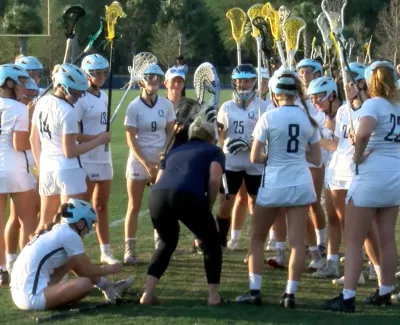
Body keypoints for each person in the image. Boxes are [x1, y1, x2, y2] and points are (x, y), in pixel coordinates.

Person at [236, 69, 321, 308]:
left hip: (274, 183)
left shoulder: (269, 117)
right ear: (295, 94)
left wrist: (274, 154)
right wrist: (296, 152)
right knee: (297, 244)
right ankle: (289, 294)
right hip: (300, 183)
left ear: (275, 94)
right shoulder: (308, 119)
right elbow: (316, 159)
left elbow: (255, 157)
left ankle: (255, 291)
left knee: (257, 239)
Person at [322, 61, 400, 312]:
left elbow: (364, 134)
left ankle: (347, 297)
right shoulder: (398, 106)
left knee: (354, 240)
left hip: (371, 177)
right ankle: (385, 291)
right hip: (394, 177)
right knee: (387, 237)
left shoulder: (374, 104)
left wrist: (356, 155)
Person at [140, 116, 226, 306]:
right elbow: (214, 180)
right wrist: (208, 206)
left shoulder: (174, 151)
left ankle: (147, 294)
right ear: (210, 136)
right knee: (211, 240)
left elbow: (159, 179)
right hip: (187, 194)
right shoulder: (214, 151)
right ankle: (213, 296)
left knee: (166, 242)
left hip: (157, 196)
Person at [10, 199, 132, 311]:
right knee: (84, 284)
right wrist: (113, 268)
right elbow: (89, 271)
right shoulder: (70, 235)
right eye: (89, 224)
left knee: (73, 260)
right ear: (80, 223)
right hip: (31, 297)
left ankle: (108, 287)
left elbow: (78, 264)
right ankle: (108, 287)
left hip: (20, 292)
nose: (89, 229)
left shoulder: (58, 230)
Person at [30, 63, 111, 229]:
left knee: (44, 222)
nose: (79, 95)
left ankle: (31, 254)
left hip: (47, 168)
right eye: (75, 91)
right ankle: (68, 256)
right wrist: (99, 140)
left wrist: (41, 167)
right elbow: (70, 151)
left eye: (81, 91)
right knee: (70, 224)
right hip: (68, 171)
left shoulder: (42, 102)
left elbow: (33, 139)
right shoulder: (68, 111)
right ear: (61, 86)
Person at [124, 64, 175, 264]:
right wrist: (146, 163)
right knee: (134, 206)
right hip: (138, 161)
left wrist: (163, 156)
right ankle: (129, 250)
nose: (153, 80)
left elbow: (170, 131)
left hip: (160, 160)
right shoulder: (134, 107)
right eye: (149, 76)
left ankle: (159, 245)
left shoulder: (166, 105)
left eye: (156, 76)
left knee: (160, 206)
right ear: (141, 81)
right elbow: (130, 138)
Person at [216, 64, 268, 252]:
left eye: (247, 80)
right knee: (225, 204)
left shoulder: (264, 106)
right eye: (239, 81)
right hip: (232, 161)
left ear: (254, 82)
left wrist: (251, 142)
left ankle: (256, 243)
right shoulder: (227, 107)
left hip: (255, 162)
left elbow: (268, 134)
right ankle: (221, 241)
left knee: (256, 204)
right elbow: (221, 135)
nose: (243, 85)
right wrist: (222, 141)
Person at [76, 54, 119, 265]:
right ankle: (75, 251)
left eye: (103, 72)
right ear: (87, 75)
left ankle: (105, 250)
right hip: (86, 157)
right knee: (81, 209)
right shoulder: (80, 99)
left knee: (101, 206)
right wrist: (98, 138)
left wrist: (103, 138)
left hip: (104, 157)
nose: (101, 76)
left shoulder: (103, 96)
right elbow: (73, 135)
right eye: (96, 73)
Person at [0, 64, 37, 286]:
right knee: (28, 221)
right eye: (20, 82)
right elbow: (20, 143)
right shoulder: (18, 109)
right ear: (9, 83)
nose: (25, 86)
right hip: (16, 170)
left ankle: (2, 269)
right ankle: (25, 268)